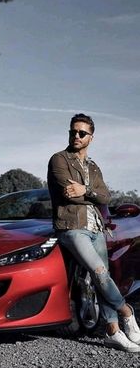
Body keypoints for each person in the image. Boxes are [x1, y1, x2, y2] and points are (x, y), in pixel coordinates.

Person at [47, 113, 140, 352]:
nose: (75, 136)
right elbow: (70, 194)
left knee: (103, 279)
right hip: (72, 228)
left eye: (81, 133)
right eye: (72, 132)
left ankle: (112, 330)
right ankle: (126, 311)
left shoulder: (93, 166)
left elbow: (106, 197)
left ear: (91, 137)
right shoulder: (59, 160)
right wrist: (90, 195)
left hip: (96, 228)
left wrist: (85, 190)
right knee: (99, 273)